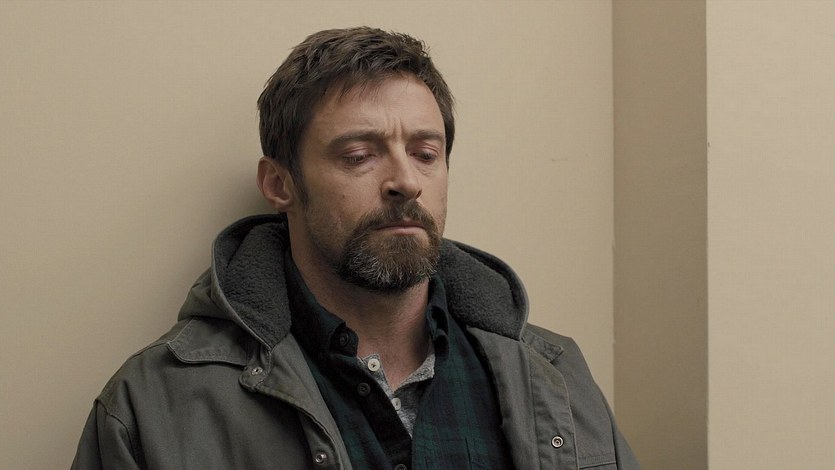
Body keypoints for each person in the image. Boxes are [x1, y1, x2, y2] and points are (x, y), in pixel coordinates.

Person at [72, 27, 638, 470]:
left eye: (425, 153)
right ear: (280, 184)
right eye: (359, 156)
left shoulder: (554, 376)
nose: (406, 182)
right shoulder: (157, 402)